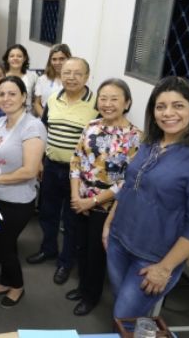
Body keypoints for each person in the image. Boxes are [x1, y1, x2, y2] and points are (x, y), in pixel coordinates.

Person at [104, 76, 189, 318]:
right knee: (125, 311)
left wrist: (165, 268)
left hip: (154, 258)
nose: (168, 113)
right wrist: (109, 223)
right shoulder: (150, 143)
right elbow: (129, 187)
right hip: (118, 240)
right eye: (160, 106)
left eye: (178, 106)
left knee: (123, 316)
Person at [67, 78, 141, 316]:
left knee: (96, 254)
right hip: (81, 200)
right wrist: (76, 196)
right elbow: (76, 159)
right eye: (103, 98)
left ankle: (91, 296)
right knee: (81, 247)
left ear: (127, 102)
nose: (107, 104)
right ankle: (82, 287)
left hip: (107, 206)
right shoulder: (91, 125)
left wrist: (93, 201)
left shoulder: (135, 137)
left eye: (114, 99)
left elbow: (127, 180)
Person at [26, 57, 98, 286]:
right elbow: (44, 128)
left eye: (78, 73)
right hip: (51, 165)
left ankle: (66, 262)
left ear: (87, 77)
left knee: (71, 219)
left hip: (78, 174)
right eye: (67, 73)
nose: (71, 77)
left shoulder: (96, 103)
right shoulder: (54, 97)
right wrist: (40, 161)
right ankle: (48, 249)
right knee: (47, 212)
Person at [0, 76, 47, 308]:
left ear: (24, 97)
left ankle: (17, 286)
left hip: (18, 201)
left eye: (12, 94)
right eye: (2, 94)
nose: (6, 98)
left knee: (3, 247)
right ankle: (6, 282)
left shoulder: (32, 126)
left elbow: (29, 170)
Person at [34, 44, 71, 117]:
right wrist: (45, 119)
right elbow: (37, 103)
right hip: (45, 118)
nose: (57, 63)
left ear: (69, 59)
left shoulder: (74, 80)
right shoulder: (43, 79)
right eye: (54, 59)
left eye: (62, 59)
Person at [2, 44, 38, 114]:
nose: (15, 58)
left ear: (24, 59)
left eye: (19, 56)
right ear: (7, 59)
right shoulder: (1, 76)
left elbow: (36, 101)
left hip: (27, 116)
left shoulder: (33, 76)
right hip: (4, 114)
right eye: (12, 56)